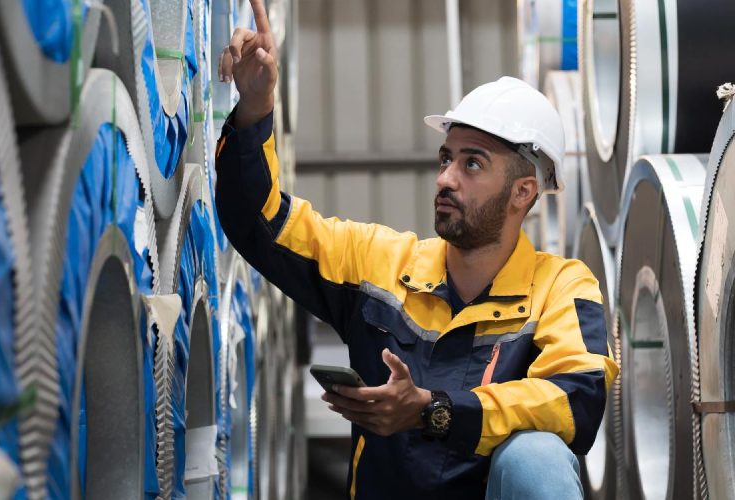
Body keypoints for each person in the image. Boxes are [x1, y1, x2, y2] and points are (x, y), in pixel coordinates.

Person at [215, 1, 619, 498]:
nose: (446, 178)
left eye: (472, 165)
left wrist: (434, 409)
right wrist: (256, 108)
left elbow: (574, 401)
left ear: (523, 193)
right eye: (446, 158)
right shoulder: (380, 265)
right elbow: (263, 224)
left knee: (537, 455)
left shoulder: (561, 287)